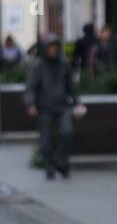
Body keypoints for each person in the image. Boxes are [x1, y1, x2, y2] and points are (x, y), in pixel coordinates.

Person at [24, 34, 79, 180]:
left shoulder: (64, 64)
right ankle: (50, 166)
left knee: (67, 132)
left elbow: (71, 87)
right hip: (45, 107)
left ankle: (61, 161)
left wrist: (77, 103)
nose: (53, 50)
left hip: (62, 106)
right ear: (45, 49)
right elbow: (30, 87)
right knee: (46, 141)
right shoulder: (39, 66)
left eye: (56, 47)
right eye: (50, 47)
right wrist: (31, 104)